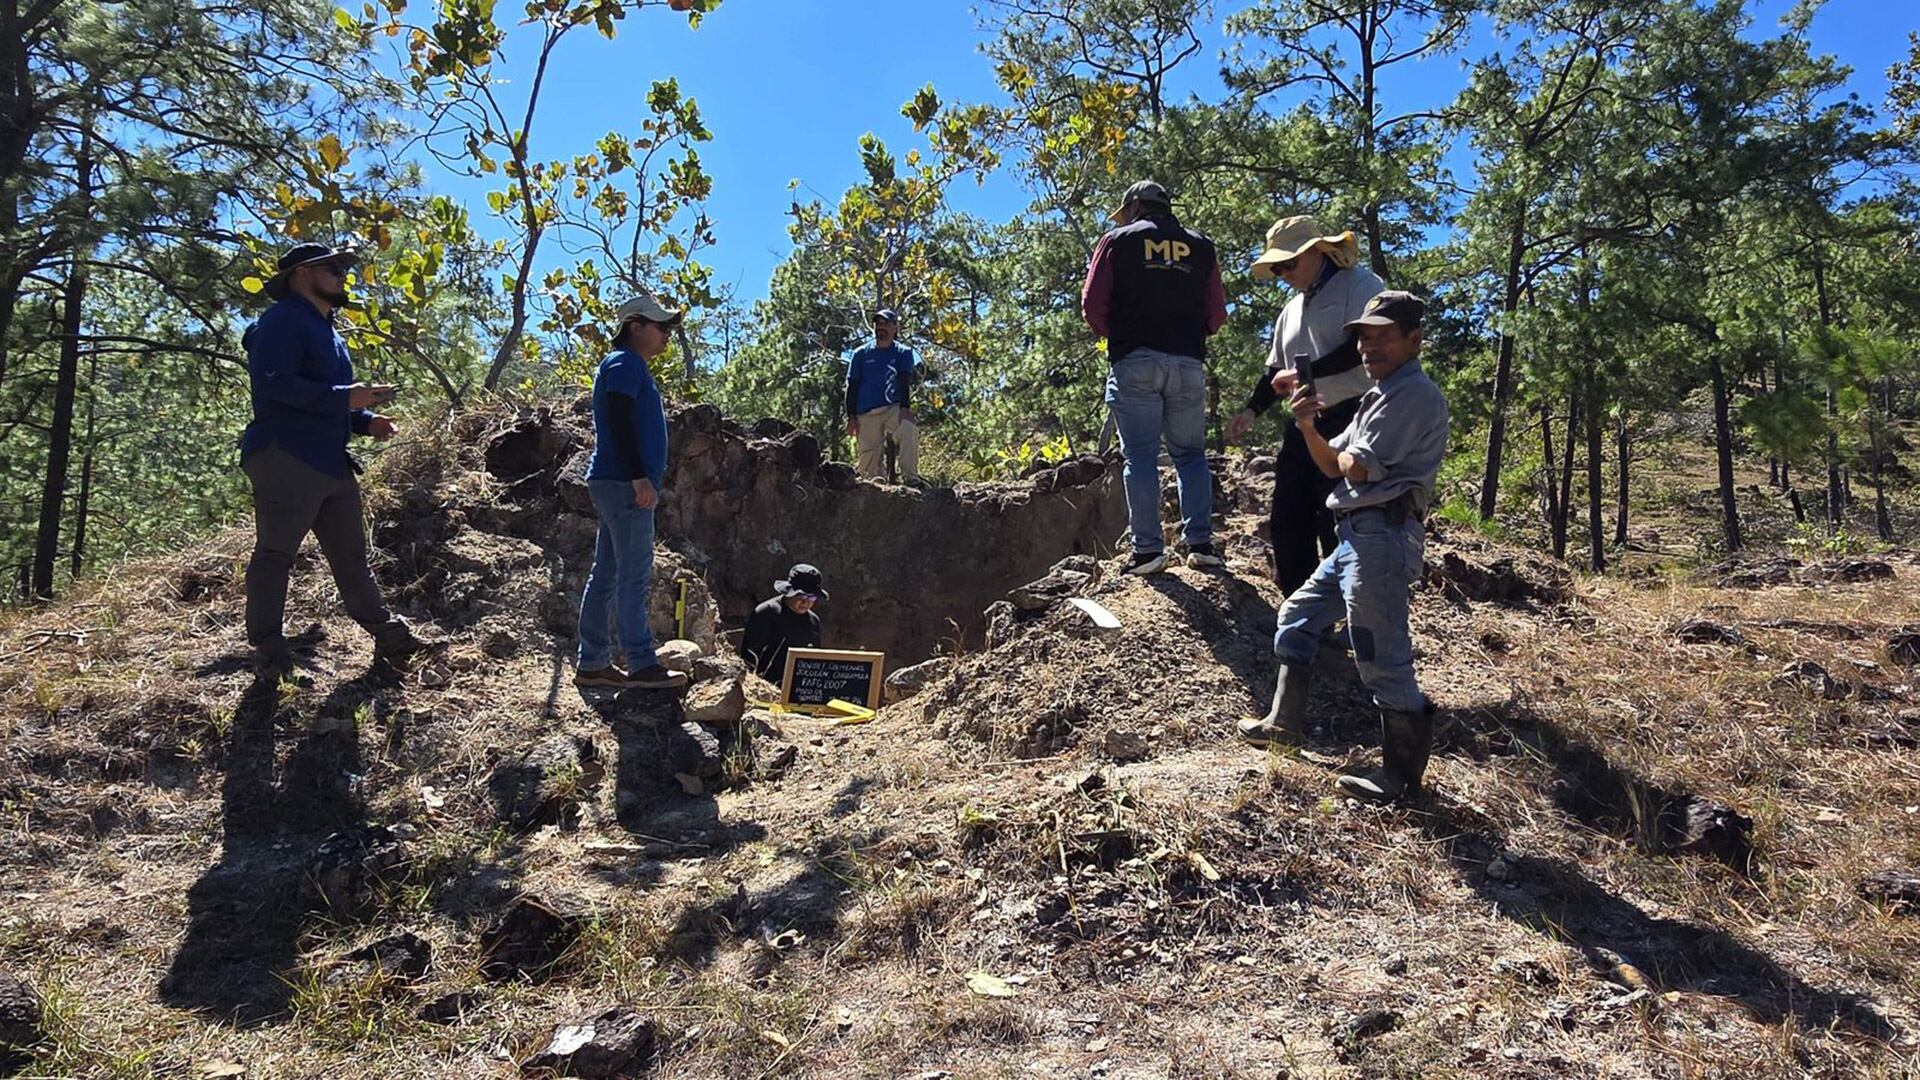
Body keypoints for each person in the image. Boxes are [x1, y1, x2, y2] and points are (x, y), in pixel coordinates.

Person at [1237, 291, 1450, 805]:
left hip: (1383, 536)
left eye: (1382, 335)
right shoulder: (1379, 395)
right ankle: (1283, 725)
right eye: (1363, 336)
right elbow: (1331, 464)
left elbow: (1357, 465)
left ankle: (1400, 779)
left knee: (1381, 654)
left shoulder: (1413, 395)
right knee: (1298, 616)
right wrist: (1309, 423)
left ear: (1414, 340)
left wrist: (1342, 447)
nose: (1368, 346)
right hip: (1357, 535)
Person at [240, 242, 428, 676]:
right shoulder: (282, 321)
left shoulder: (326, 329)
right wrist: (348, 398)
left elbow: (325, 401)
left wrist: (365, 421)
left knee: (351, 556)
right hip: (286, 454)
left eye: (344, 268)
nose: (344, 275)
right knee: (275, 553)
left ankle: (388, 636)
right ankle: (269, 651)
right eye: (334, 268)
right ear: (302, 274)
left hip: (328, 460)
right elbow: (275, 387)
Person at [1225, 216, 1385, 596]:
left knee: (1338, 517)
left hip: (1354, 417)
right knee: (1287, 519)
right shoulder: (1291, 310)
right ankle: (1301, 612)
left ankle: (1347, 609)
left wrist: (1302, 374)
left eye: (1288, 264)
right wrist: (1251, 410)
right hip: (1306, 422)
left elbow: (1361, 348)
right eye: (1276, 267)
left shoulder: (1360, 285)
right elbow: (1275, 370)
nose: (1282, 273)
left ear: (1317, 252)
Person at [1081, 179, 1228, 575]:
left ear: (1133, 207)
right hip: (1187, 362)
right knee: (1191, 455)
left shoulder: (1117, 241)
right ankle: (1200, 543)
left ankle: (1147, 552)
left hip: (1135, 360)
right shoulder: (1201, 245)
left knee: (1141, 457)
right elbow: (1217, 313)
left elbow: (1092, 305)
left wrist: (1125, 333)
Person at [574, 290, 691, 692]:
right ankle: (641, 663)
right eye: (661, 327)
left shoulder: (626, 364)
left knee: (606, 572)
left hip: (613, 480)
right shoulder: (625, 363)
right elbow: (621, 418)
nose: (666, 336)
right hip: (625, 483)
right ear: (635, 327)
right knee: (633, 575)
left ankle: (592, 663)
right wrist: (640, 475)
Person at [845, 309, 921, 483]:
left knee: (908, 428)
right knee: (868, 459)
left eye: (886, 323)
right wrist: (851, 416)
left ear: (895, 327)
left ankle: (911, 479)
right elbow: (852, 386)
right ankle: (871, 486)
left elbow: (903, 381)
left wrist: (905, 409)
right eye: (878, 323)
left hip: (892, 408)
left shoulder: (903, 353)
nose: (881, 327)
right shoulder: (860, 354)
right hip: (866, 411)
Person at [739, 564, 827, 682]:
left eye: (812, 598)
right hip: (765, 687)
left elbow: (814, 662)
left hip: (798, 690)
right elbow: (749, 656)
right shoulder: (766, 612)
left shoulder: (813, 621)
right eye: (801, 596)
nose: (806, 602)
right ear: (789, 592)